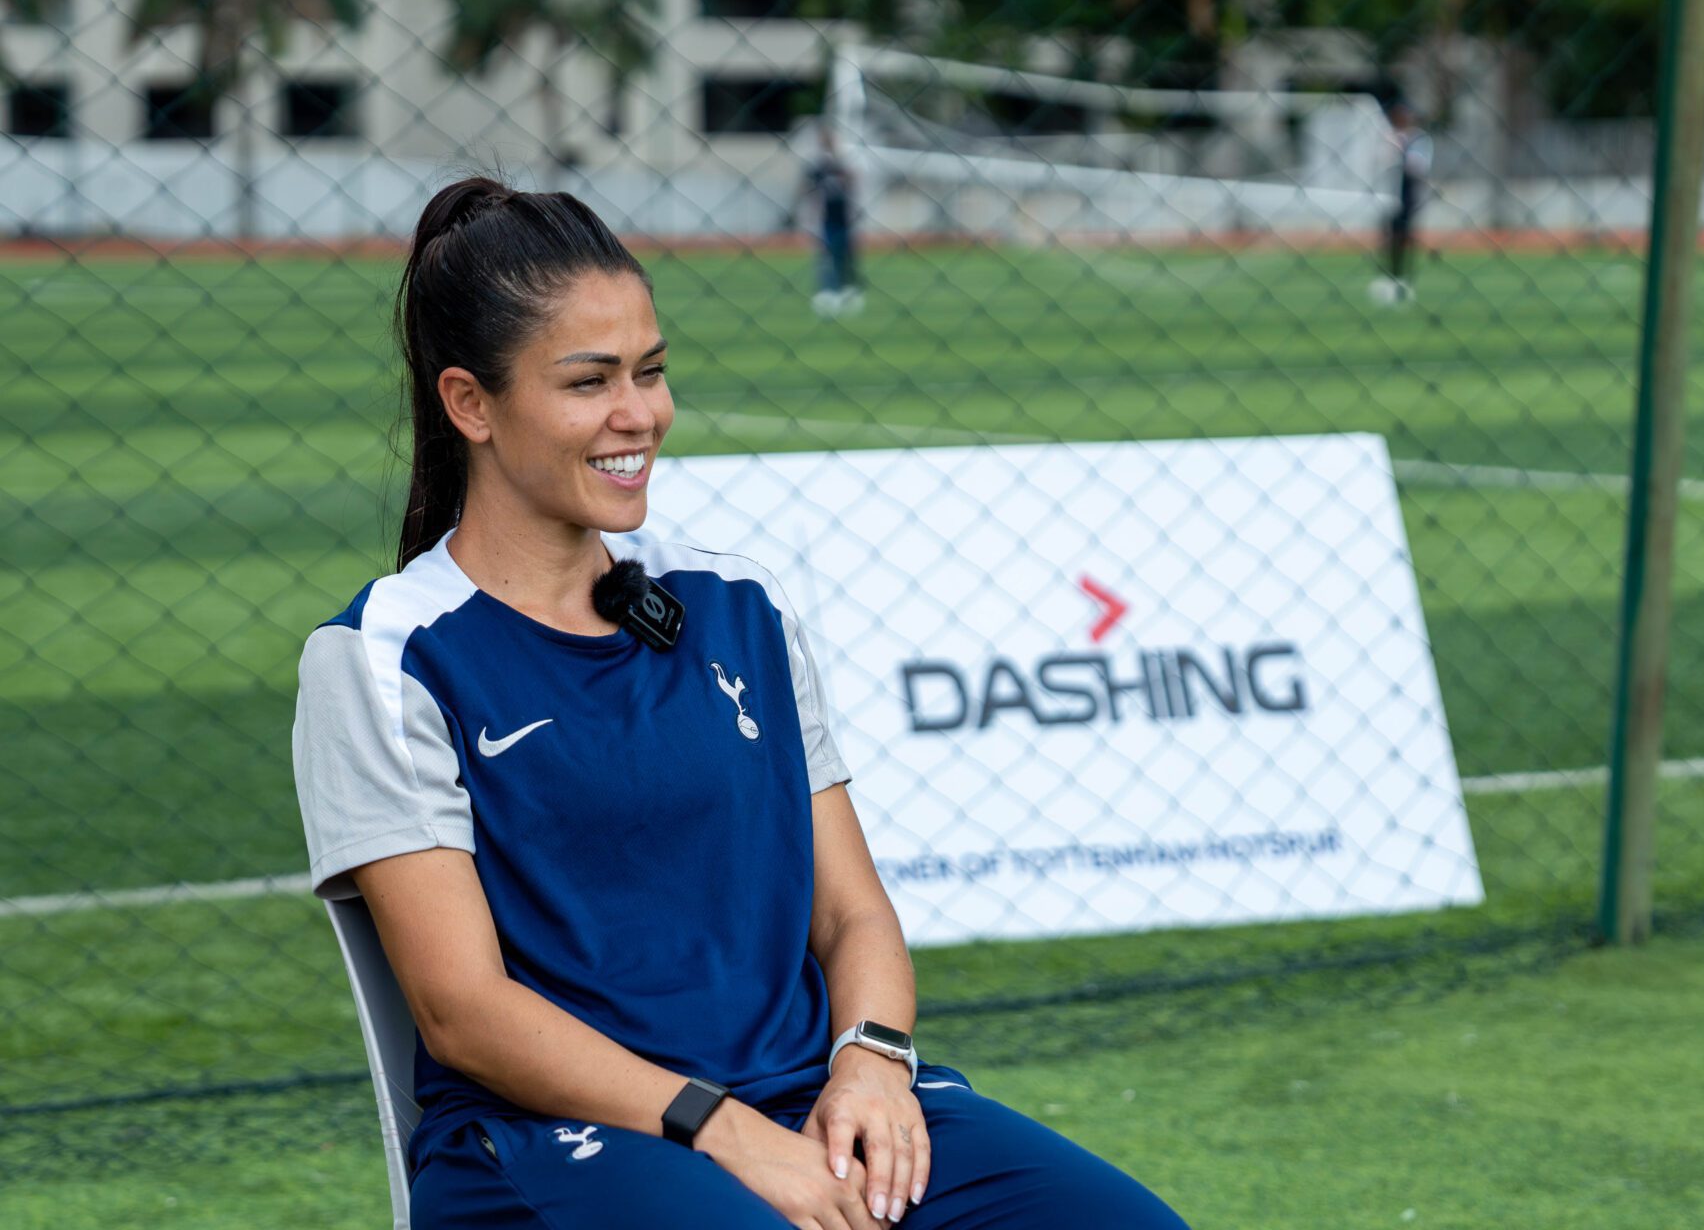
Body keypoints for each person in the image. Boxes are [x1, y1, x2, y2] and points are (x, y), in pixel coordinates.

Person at [290, 176, 1190, 1230]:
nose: (639, 415)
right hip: (550, 1141)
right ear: (469, 403)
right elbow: (464, 1013)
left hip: (808, 1099)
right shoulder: (383, 657)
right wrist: (720, 1126)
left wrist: (872, 1063)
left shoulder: (739, 603)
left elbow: (854, 912)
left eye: (652, 371)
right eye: (589, 382)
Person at [1371, 99, 1433, 306]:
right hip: (1387, 190)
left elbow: (1418, 166)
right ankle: (1388, 275)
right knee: (1387, 235)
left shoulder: (1419, 139)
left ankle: (1402, 277)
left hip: (1407, 191)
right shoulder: (1387, 136)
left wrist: (1402, 152)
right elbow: (1379, 160)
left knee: (1405, 235)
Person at [806, 126, 863, 317]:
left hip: (843, 218)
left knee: (845, 256)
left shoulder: (841, 165)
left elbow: (852, 183)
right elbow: (810, 191)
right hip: (827, 219)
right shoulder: (818, 167)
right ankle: (828, 290)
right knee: (826, 256)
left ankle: (847, 288)